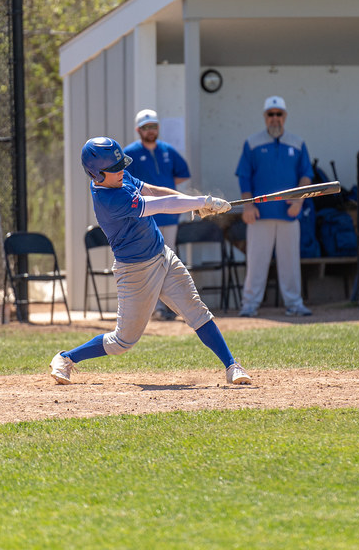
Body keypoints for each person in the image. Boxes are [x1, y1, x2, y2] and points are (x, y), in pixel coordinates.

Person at [48, 136, 250, 386]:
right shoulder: (110, 200)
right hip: (135, 271)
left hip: (162, 255)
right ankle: (66, 358)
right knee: (123, 341)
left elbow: (154, 191)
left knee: (196, 311)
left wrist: (192, 206)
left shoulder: (119, 178)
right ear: (96, 175)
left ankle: (232, 366)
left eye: (121, 165)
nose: (121, 171)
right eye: (113, 169)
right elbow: (160, 205)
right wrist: (202, 201)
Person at [235, 96, 314, 317]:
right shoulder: (252, 143)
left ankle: (294, 304)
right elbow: (244, 175)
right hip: (261, 214)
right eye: (271, 114)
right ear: (265, 117)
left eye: (279, 114)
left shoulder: (298, 143)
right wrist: (248, 205)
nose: (275, 119)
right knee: (256, 263)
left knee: (290, 263)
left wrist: (299, 200)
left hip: (289, 214)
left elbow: (306, 175)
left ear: (285, 116)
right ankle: (249, 306)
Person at [123, 109, 191, 321]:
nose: (150, 131)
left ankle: (174, 308)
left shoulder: (167, 150)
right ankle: (154, 309)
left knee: (169, 263)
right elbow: (122, 181)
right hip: (145, 218)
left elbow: (183, 174)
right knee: (150, 264)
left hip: (170, 217)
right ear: (138, 130)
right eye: (146, 127)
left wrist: (165, 190)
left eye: (153, 126)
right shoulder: (130, 152)